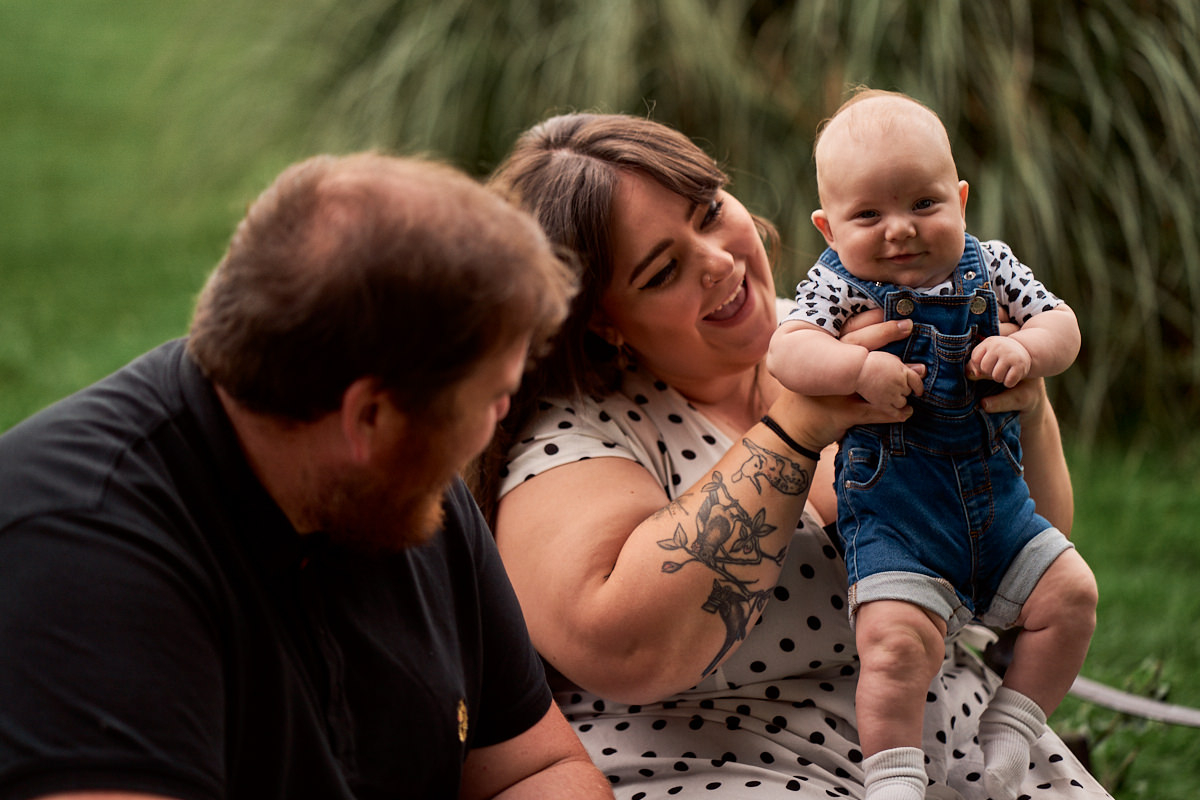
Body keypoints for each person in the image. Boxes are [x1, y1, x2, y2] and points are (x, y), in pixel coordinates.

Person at [473, 112, 1112, 800]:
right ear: (602, 316)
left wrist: (1023, 400)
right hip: (730, 765)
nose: (718, 260)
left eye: (711, 211)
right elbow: (624, 647)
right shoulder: (576, 434)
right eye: (664, 271)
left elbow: (1028, 541)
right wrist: (798, 427)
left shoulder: (833, 322)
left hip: (964, 741)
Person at [0, 153, 615, 800]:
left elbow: (537, 769)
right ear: (371, 416)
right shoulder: (78, 554)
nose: (500, 417)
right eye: (494, 396)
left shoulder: (401, 486)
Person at [765, 90, 1098, 800]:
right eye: (868, 216)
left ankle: (1014, 724)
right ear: (828, 227)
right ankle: (893, 780)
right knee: (892, 647)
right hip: (898, 519)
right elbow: (787, 352)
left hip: (999, 505)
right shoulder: (836, 286)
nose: (901, 231)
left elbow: (1063, 324)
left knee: (1072, 595)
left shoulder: (992, 264)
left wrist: (1030, 352)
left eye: (923, 204)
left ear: (961, 198)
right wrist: (855, 368)